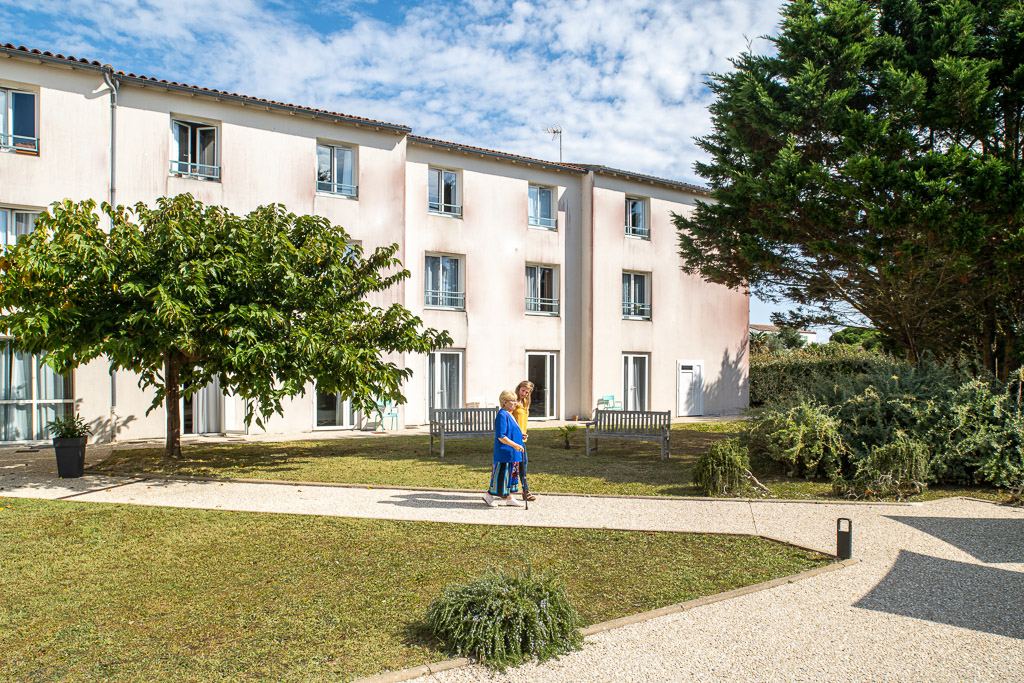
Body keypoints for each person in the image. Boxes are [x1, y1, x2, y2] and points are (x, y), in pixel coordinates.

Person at [483, 390, 525, 507]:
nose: (515, 403)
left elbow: (510, 431)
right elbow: (501, 436)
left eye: (515, 401)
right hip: (505, 452)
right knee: (502, 476)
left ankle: (509, 498)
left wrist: (520, 436)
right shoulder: (502, 415)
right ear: (505, 402)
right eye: (512, 401)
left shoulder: (510, 414)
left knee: (511, 475)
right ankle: (489, 495)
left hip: (513, 452)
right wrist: (515, 445)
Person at [512, 380, 537, 501]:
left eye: (527, 392)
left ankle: (524, 491)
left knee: (523, 464)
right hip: (513, 439)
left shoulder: (525, 402)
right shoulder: (513, 402)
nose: (524, 394)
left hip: (521, 439)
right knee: (518, 464)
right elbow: (509, 420)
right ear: (518, 388)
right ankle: (524, 491)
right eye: (523, 391)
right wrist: (517, 433)